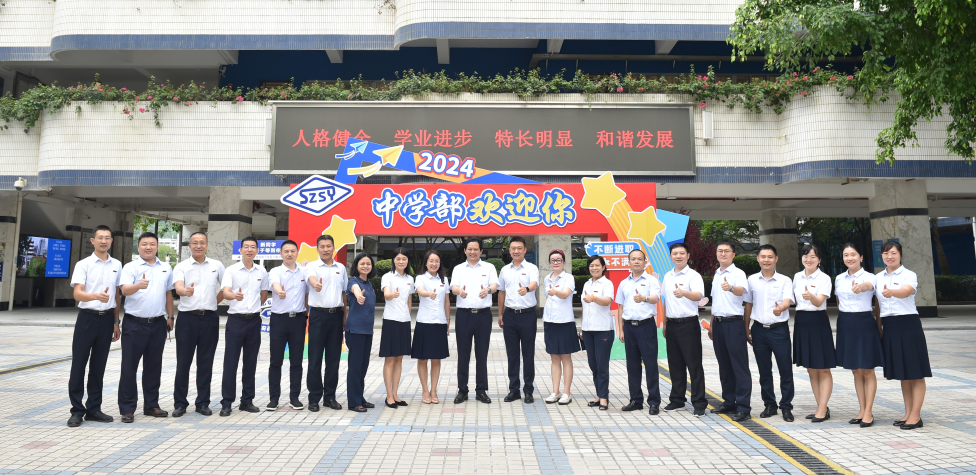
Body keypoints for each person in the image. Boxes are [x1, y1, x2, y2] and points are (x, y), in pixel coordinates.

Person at [67, 225, 122, 427]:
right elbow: (77, 294)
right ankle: (76, 410)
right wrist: (95, 296)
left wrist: (116, 322)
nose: (104, 241)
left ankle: (94, 409)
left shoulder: (117, 264)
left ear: (111, 241)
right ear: (93, 241)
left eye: (107, 238)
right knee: (79, 365)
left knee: (98, 366)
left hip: (107, 320)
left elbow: (116, 295)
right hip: (87, 318)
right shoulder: (83, 264)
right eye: (100, 237)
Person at [117, 231, 174, 423]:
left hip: (158, 323)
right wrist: (138, 285)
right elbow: (124, 290)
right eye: (144, 244)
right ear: (138, 246)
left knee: (153, 367)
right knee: (129, 367)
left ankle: (151, 405)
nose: (148, 247)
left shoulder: (165, 267)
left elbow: (168, 293)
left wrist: (170, 316)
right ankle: (127, 409)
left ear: (157, 246)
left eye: (152, 244)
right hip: (134, 324)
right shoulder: (130, 267)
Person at [875, 240, 930, 430]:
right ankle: (907, 413)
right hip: (890, 326)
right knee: (903, 373)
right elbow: (877, 305)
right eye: (886, 253)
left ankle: (916, 415)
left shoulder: (909, 275)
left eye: (893, 253)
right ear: (881, 256)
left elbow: (907, 291)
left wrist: (892, 292)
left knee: (916, 372)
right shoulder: (877, 277)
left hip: (908, 325)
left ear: (900, 255)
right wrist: (879, 328)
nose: (889, 256)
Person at [172, 231, 226, 417]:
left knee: (206, 362)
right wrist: (184, 291)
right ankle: (180, 403)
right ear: (189, 246)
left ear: (207, 245)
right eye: (194, 243)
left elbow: (225, 287)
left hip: (209, 318)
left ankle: (203, 403)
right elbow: (178, 286)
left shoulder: (217, 265)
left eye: (202, 242)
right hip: (187, 319)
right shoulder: (182, 266)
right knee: (183, 362)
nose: (198, 246)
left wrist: (213, 302)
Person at [219, 237, 270, 416]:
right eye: (246, 247)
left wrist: (253, 308)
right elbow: (225, 292)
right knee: (230, 363)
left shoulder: (261, 271)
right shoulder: (231, 270)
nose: (249, 250)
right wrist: (234, 296)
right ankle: (227, 402)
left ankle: (247, 401)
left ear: (257, 251)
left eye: (253, 247)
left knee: (250, 362)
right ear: (240, 250)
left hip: (254, 321)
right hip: (235, 321)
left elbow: (264, 295)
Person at [744, 244, 795, 422]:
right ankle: (770, 404)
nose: (766, 260)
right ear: (758, 258)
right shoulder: (751, 280)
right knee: (764, 370)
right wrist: (746, 327)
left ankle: (786, 406)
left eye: (770, 257)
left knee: (785, 369)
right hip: (758, 330)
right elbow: (748, 304)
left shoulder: (784, 280)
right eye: (763, 256)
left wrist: (781, 308)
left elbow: (787, 300)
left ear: (776, 259)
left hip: (779, 330)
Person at [834, 242, 882, 428]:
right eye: (846, 255)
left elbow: (869, 286)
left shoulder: (870, 277)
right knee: (855, 369)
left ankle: (869, 412)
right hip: (845, 323)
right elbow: (838, 300)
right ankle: (861, 410)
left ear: (861, 257)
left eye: (853, 254)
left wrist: (861, 287)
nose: (850, 258)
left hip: (864, 323)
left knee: (868, 369)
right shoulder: (839, 278)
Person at [661, 242, 707, 417]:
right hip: (672, 324)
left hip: (688, 324)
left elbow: (698, 296)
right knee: (675, 364)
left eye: (682, 253)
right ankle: (677, 400)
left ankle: (699, 403)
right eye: (675, 253)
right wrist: (665, 323)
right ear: (670, 256)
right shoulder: (667, 276)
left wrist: (684, 293)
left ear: (688, 256)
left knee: (694, 365)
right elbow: (666, 300)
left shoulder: (693, 276)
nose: (678, 256)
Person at [614, 248, 663, 415]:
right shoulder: (623, 283)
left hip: (646, 326)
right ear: (629, 262)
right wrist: (620, 329)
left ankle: (654, 402)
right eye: (633, 259)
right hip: (629, 327)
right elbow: (620, 307)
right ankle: (635, 400)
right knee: (632, 365)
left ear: (645, 262)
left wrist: (644, 298)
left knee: (650, 365)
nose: (636, 261)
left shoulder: (651, 280)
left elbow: (656, 298)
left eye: (639, 259)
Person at [450, 237, 498, 404]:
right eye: (469, 249)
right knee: (463, 354)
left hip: (483, 315)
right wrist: (459, 292)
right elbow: (453, 287)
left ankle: (481, 390)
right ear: (465, 251)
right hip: (464, 315)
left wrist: (488, 290)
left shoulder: (489, 267)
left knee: (482, 354)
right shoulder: (458, 269)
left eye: (476, 249)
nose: (472, 252)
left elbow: (495, 285)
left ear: (481, 251)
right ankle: (462, 390)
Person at [708, 239, 751, 422]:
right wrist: (712, 325)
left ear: (733, 254)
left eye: (727, 251)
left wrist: (731, 288)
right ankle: (728, 401)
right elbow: (715, 302)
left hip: (734, 324)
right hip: (718, 324)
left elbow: (742, 291)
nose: (723, 254)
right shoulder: (717, 274)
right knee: (724, 365)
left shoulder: (738, 273)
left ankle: (743, 407)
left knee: (739, 366)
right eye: (720, 251)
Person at [792, 243, 836, 423]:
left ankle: (823, 408)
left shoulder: (824, 278)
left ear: (819, 260)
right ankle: (820, 407)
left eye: (812, 257)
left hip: (818, 321)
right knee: (811, 368)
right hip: (801, 321)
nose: (808, 259)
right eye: (805, 256)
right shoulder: (797, 276)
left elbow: (819, 302)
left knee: (823, 368)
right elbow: (794, 301)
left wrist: (811, 296)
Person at [304, 234, 348, 411]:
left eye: (328, 246)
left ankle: (330, 397)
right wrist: (316, 284)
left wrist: (344, 317)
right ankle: (314, 398)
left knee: (333, 360)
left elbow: (344, 293)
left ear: (334, 248)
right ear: (317, 249)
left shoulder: (341, 268)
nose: (325, 249)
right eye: (322, 246)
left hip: (336, 316)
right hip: (318, 316)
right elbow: (311, 280)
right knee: (314, 359)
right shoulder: (311, 266)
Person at [267, 240, 309, 411]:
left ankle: (294, 398)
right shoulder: (275, 271)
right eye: (286, 251)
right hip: (279, 320)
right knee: (276, 361)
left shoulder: (305, 272)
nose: (289, 254)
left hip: (298, 320)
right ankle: (273, 399)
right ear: (281, 253)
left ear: (297, 252)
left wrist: (307, 314)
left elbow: (307, 295)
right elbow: (275, 285)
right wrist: (279, 291)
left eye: (292, 251)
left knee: (296, 361)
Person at [497, 237, 540, 404]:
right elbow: (501, 292)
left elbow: (534, 284)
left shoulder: (531, 268)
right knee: (512, 355)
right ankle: (514, 390)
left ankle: (528, 390)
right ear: (509, 250)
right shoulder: (504, 270)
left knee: (528, 354)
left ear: (525, 250)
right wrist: (500, 314)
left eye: (519, 248)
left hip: (528, 315)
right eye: (513, 248)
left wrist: (527, 289)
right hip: (510, 315)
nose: (516, 251)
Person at [413, 250, 451, 404]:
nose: (434, 264)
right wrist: (429, 293)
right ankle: (424, 390)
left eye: (437, 261)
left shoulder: (444, 280)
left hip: (440, 322)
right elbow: (420, 291)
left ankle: (433, 390)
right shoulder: (420, 278)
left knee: (436, 358)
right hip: (424, 322)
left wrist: (448, 320)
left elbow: (447, 301)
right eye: (431, 261)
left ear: (440, 263)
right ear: (426, 262)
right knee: (422, 359)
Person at [542, 249, 578, 405]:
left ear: (564, 262)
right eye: (553, 260)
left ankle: (566, 393)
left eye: (558, 260)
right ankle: (555, 392)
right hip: (550, 321)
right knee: (554, 357)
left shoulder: (568, 278)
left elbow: (565, 294)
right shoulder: (546, 278)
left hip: (565, 322)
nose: (555, 262)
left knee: (565, 357)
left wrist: (556, 291)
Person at [380, 248, 414, 408]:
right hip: (391, 321)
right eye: (398, 258)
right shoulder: (387, 277)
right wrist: (391, 295)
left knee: (399, 359)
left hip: (404, 321)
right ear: (393, 260)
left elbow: (409, 300)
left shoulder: (410, 278)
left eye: (404, 259)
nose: (401, 261)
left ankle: (395, 394)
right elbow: (386, 294)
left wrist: (407, 314)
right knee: (390, 359)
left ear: (408, 261)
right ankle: (389, 396)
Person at [580, 255, 614, 411]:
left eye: (597, 265)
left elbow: (607, 301)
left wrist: (593, 297)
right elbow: (584, 307)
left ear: (603, 267)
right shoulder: (587, 283)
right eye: (591, 265)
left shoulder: (607, 283)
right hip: (588, 330)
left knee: (602, 365)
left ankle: (604, 398)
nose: (594, 268)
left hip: (603, 329)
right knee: (593, 364)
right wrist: (582, 327)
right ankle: (599, 395)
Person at [346, 253, 378, 413]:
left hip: (367, 330)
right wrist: (358, 295)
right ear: (356, 266)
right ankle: (353, 402)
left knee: (363, 366)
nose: (366, 266)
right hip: (355, 330)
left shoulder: (369, 284)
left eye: (368, 264)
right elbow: (355, 290)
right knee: (355, 367)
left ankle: (360, 397)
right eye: (362, 263)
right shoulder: (353, 281)